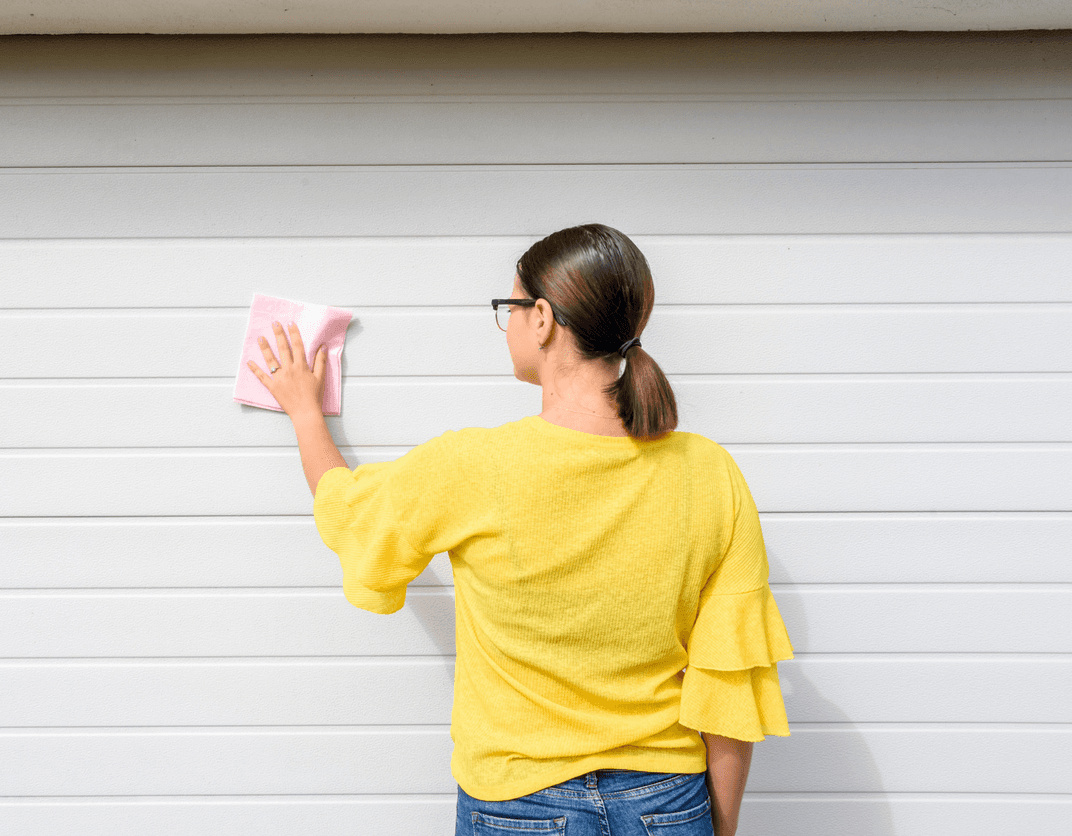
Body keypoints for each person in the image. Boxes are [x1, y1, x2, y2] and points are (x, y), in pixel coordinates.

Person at [246, 223, 793, 836]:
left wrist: (302, 410)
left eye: (508, 308)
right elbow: (728, 686)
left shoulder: (472, 467)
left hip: (519, 805)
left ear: (542, 318)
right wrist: (714, 829)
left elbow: (347, 511)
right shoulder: (709, 472)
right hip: (667, 804)